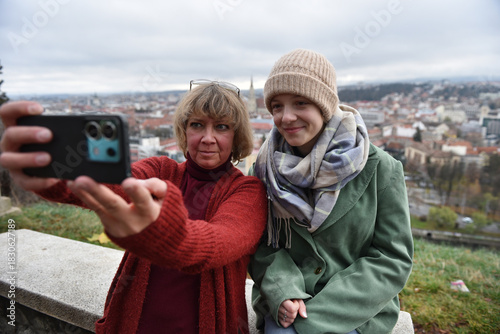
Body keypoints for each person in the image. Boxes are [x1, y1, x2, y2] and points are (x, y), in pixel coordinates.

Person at [0, 80, 268, 334]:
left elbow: (212, 245)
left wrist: (160, 231)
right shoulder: (161, 170)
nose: (208, 137)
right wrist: (56, 177)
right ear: (185, 130)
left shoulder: (247, 191)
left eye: (222, 127)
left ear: (237, 135)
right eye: (197, 124)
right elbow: (114, 184)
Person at [248, 49, 414, 334]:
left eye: (300, 102)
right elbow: (262, 244)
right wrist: (284, 291)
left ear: (324, 105)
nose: (286, 117)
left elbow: (392, 258)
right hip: (287, 301)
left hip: (355, 310)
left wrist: (317, 315)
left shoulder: (382, 170)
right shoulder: (264, 168)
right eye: (276, 106)